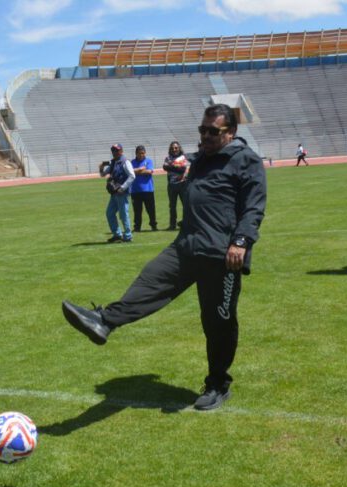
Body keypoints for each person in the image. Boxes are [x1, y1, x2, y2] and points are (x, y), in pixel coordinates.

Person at [62, 104, 267, 411]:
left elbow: (254, 205)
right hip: (187, 244)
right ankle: (103, 321)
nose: (206, 136)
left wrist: (241, 241)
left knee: (218, 323)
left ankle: (217, 384)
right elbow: (181, 172)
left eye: (213, 131)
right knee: (150, 281)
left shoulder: (245, 160)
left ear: (231, 132)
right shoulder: (198, 160)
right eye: (202, 130)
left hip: (222, 255)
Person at [100, 144, 135, 243]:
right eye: (113, 150)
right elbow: (103, 174)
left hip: (122, 193)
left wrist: (123, 188)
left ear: (121, 151)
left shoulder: (125, 162)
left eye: (117, 150)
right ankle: (117, 234)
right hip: (114, 193)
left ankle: (128, 236)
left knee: (123, 214)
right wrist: (101, 167)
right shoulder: (113, 162)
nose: (115, 152)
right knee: (109, 213)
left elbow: (132, 176)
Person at [130, 145, 158, 232]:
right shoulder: (132, 162)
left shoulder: (148, 161)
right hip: (135, 190)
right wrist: (141, 169)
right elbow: (130, 172)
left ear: (145, 153)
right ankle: (137, 227)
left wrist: (136, 171)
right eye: (139, 153)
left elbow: (149, 172)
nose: (141, 155)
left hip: (148, 190)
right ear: (136, 153)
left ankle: (153, 226)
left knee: (151, 210)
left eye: (142, 153)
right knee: (137, 211)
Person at [162, 141, 188, 230]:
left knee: (185, 205)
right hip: (171, 185)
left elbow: (183, 169)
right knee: (172, 206)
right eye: (172, 148)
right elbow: (165, 167)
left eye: (176, 148)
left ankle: (186, 223)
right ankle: (172, 225)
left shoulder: (183, 157)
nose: (174, 149)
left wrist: (171, 167)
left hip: (182, 184)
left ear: (179, 148)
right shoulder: (168, 158)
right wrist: (177, 167)